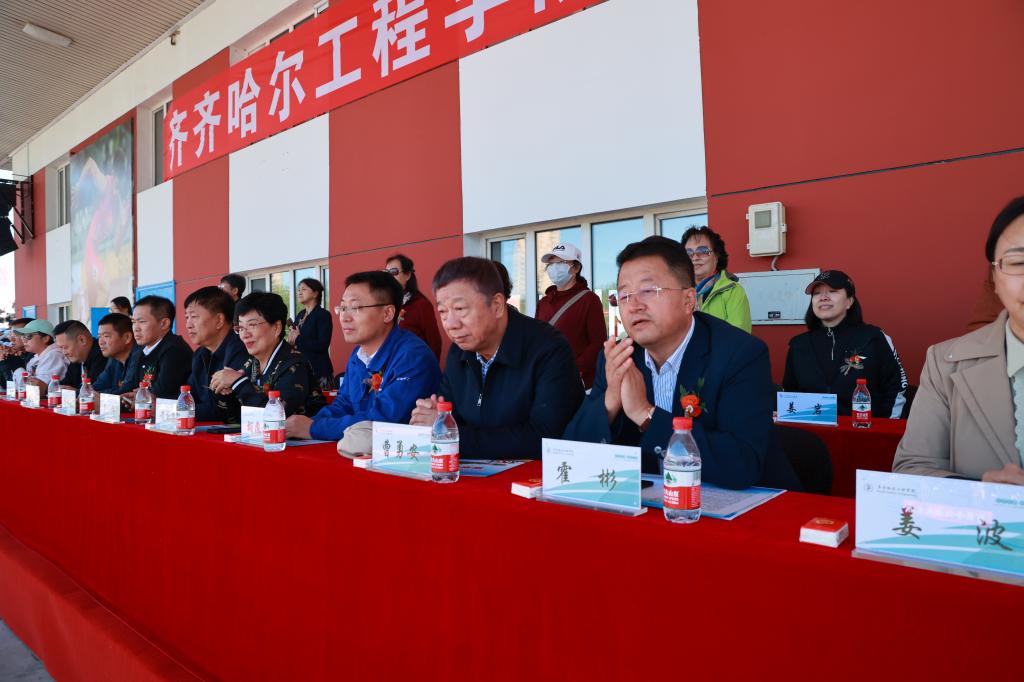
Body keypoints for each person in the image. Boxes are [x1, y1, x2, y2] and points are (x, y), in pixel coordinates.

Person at [563, 236, 798, 489]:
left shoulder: (739, 354)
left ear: (689, 300)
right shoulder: (619, 357)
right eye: (624, 295)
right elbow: (570, 455)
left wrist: (646, 414)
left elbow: (741, 463)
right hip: (647, 503)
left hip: (739, 504)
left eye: (648, 291)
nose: (633, 306)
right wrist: (610, 400)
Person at [894, 197, 1024, 483]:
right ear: (994, 278)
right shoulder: (945, 363)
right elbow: (913, 468)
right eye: (1018, 262)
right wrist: (979, 493)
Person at [409, 257, 583, 459]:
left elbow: (544, 437)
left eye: (460, 309)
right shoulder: (459, 351)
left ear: (497, 305)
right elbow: (450, 414)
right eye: (442, 312)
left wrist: (450, 433)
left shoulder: (548, 349)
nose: (450, 324)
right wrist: (434, 417)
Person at [287, 271, 441, 440]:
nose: (344, 317)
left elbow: (382, 422)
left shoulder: (412, 357)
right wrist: (306, 423)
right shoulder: (358, 355)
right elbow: (343, 405)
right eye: (343, 308)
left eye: (355, 308)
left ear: (387, 313)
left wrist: (314, 428)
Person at [782, 270, 908, 418]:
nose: (823, 297)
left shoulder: (874, 338)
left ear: (849, 301)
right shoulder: (798, 345)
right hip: (810, 430)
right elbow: (789, 393)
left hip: (863, 428)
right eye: (816, 293)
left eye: (832, 291)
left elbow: (897, 387)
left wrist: (885, 427)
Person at [209, 292, 321, 417]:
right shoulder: (250, 364)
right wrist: (224, 392)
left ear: (277, 328)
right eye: (240, 328)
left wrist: (238, 383)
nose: (244, 335)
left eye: (252, 325)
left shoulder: (295, 364)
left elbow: (275, 417)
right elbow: (235, 418)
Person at [535, 243, 607, 388]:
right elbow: (536, 340)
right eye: (551, 264)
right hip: (546, 380)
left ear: (575, 268)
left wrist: (573, 369)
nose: (554, 268)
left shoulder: (589, 299)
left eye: (560, 262)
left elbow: (598, 343)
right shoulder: (543, 302)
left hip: (578, 384)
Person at [184, 286, 247, 422]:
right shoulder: (200, 355)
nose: (188, 324)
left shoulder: (240, 350)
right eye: (186, 317)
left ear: (219, 320)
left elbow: (223, 410)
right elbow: (188, 397)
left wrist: (181, 410)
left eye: (194, 317)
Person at [121, 295, 194, 400]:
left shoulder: (174, 351)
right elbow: (128, 387)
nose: (136, 328)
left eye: (142, 322)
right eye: (133, 322)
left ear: (164, 324)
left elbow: (160, 394)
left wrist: (140, 396)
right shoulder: (140, 350)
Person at [681, 226, 752, 333]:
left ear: (717, 256)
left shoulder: (733, 291)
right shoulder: (678, 292)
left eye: (703, 251)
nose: (695, 258)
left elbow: (739, 337)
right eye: (689, 253)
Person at [385, 254, 442, 360]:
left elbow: (434, 343)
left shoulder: (421, 305)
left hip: (415, 365)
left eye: (393, 272)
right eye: (386, 273)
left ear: (407, 275)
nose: (389, 278)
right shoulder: (386, 305)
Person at [286, 278, 334, 387]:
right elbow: (297, 340)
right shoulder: (300, 314)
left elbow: (322, 345)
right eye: (298, 290)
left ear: (315, 293)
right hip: (300, 369)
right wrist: (291, 342)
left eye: (304, 289)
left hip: (318, 371)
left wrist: (298, 338)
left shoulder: (323, 315)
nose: (299, 292)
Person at [14, 320, 70, 391]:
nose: (24, 340)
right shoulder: (37, 356)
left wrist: (17, 370)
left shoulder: (54, 355)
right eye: (23, 336)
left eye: (28, 336)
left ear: (45, 338)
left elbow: (37, 389)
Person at [92, 313, 140, 394]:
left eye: (106, 336)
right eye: (99, 336)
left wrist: (96, 395)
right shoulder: (113, 359)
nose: (100, 342)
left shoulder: (139, 357)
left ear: (127, 337)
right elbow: (96, 387)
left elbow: (125, 392)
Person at [53, 320, 107, 390]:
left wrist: (75, 392)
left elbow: (95, 390)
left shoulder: (103, 356)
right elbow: (65, 385)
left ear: (82, 340)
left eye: (65, 347)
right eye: (61, 348)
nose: (64, 353)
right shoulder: (77, 358)